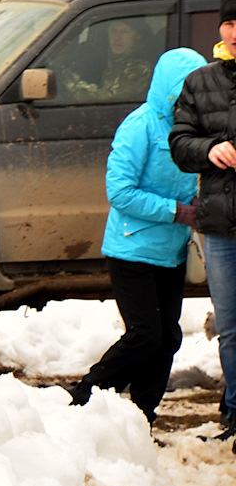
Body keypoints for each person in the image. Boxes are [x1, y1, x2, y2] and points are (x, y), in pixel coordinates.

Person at [69, 46, 205, 422]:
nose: (190, 96)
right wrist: (177, 211)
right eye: (184, 88)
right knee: (145, 335)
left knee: (168, 339)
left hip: (171, 252)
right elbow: (120, 192)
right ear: (168, 87)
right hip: (132, 250)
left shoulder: (192, 130)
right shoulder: (140, 125)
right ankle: (83, 398)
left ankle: (142, 417)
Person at [170, 0, 236, 439]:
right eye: (231, 23)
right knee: (231, 326)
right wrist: (211, 149)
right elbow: (179, 142)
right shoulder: (200, 81)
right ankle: (234, 412)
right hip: (220, 226)